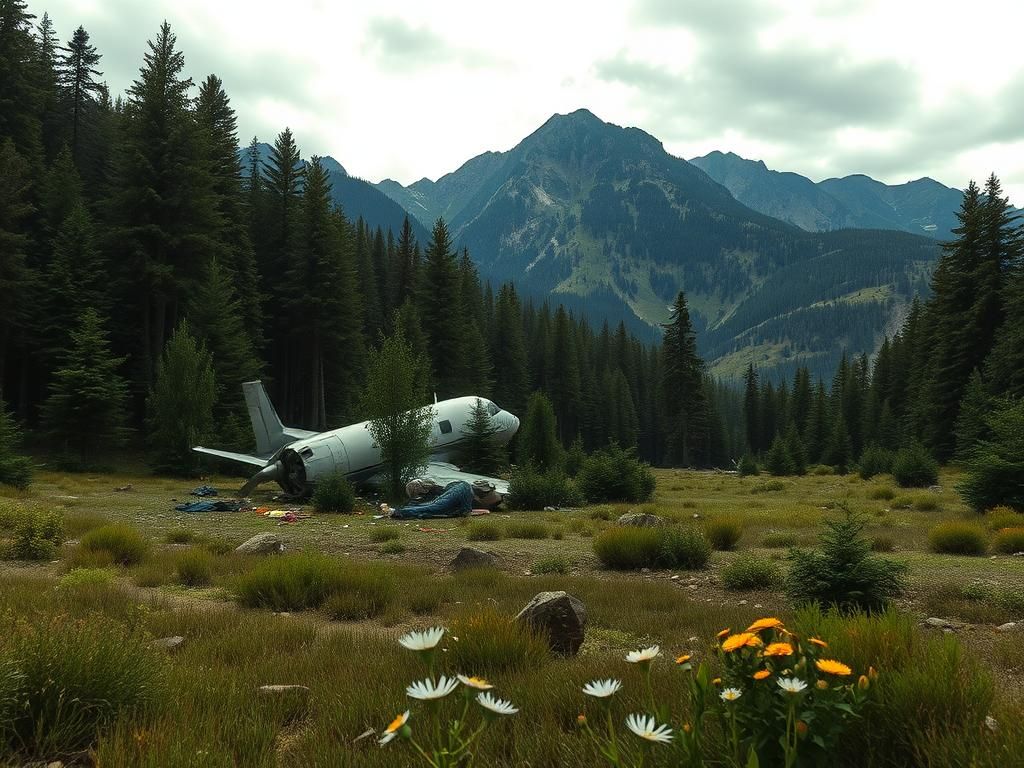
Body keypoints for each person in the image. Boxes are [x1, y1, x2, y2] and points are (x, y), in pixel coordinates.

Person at [391, 479, 473, 519]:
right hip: (459, 492)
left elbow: (430, 506)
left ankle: (400, 511)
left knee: (433, 506)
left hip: (459, 491)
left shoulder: (430, 493)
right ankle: (400, 511)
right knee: (433, 506)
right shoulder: (425, 495)